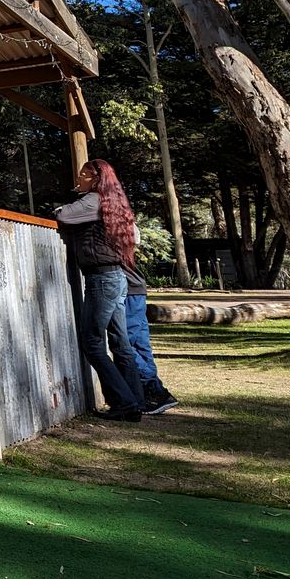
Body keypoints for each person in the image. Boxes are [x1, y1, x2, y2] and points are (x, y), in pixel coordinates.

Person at [55, 159, 145, 421]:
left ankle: (125, 403)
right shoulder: (113, 201)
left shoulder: (93, 200)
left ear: (96, 179)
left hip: (102, 279)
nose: (79, 178)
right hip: (116, 278)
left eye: (84, 174)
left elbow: (64, 215)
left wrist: (61, 207)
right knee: (120, 343)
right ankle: (135, 400)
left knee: (92, 342)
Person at [123, 262, 180, 414]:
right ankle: (153, 392)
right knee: (140, 345)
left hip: (129, 289)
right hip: (136, 287)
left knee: (126, 343)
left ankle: (154, 390)